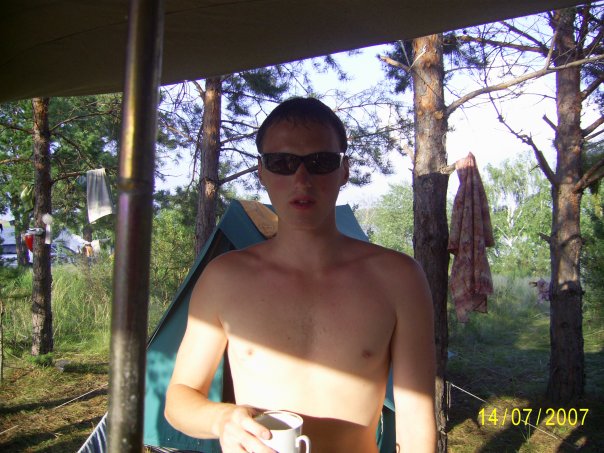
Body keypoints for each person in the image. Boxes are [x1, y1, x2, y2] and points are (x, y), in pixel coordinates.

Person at [165, 97, 436, 453]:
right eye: (282, 163)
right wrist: (222, 419)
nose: (301, 179)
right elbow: (180, 398)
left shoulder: (399, 279)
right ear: (261, 172)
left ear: (344, 170)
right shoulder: (224, 279)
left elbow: (416, 423)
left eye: (321, 162)